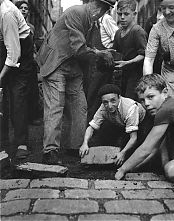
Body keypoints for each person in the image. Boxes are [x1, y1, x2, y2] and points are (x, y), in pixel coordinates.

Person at [36, 0, 116, 165]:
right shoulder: (76, 13)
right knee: (55, 106)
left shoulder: (91, 23)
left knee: (81, 106)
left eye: (104, 9)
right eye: (99, 7)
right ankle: (50, 151)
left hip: (73, 67)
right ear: (93, 3)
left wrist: (101, 53)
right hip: (56, 63)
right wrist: (100, 54)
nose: (100, 12)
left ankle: (75, 147)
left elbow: (88, 48)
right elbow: (79, 48)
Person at [115, 74, 174, 186]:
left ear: (164, 92)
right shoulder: (172, 105)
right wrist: (134, 167)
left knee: (172, 172)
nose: (146, 104)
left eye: (150, 97)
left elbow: (147, 148)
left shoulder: (166, 110)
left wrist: (122, 169)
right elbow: (158, 146)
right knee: (170, 167)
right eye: (142, 100)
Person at [79, 84, 146, 166]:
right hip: (120, 123)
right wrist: (84, 143)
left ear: (119, 97)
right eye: (105, 102)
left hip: (142, 123)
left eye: (113, 101)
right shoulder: (103, 107)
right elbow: (91, 127)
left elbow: (133, 138)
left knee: (129, 151)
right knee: (100, 138)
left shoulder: (130, 108)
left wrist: (123, 153)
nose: (109, 106)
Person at [0, 0, 33, 159]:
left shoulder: (7, 13)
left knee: (17, 96)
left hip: (21, 52)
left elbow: (14, 55)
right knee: (1, 98)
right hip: (4, 48)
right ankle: (3, 144)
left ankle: (21, 143)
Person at [113, 0, 147, 100]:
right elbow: (116, 51)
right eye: (120, 14)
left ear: (134, 14)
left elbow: (144, 54)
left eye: (126, 14)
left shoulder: (137, 31)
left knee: (130, 101)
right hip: (123, 75)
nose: (122, 17)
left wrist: (128, 62)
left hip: (136, 75)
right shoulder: (118, 32)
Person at [15, 0, 41, 126]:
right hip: (18, 60)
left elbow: (34, 44)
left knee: (33, 90)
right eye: (21, 8)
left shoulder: (31, 27)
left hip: (30, 61)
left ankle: (32, 117)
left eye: (26, 8)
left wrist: (36, 56)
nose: (24, 10)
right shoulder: (14, 24)